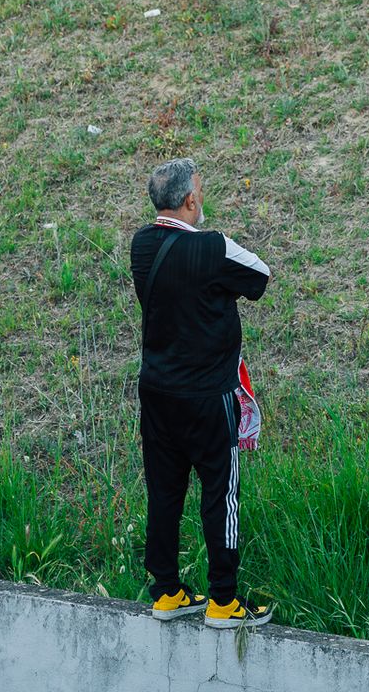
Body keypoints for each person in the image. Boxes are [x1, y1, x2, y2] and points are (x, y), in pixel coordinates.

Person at [130, 158, 274, 630]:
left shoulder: (141, 246)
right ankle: (224, 602)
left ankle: (167, 591)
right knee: (221, 493)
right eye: (201, 192)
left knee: (164, 493)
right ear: (190, 201)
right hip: (208, 396)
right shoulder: (213, 248)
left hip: (157, 393)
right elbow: (260, 275)